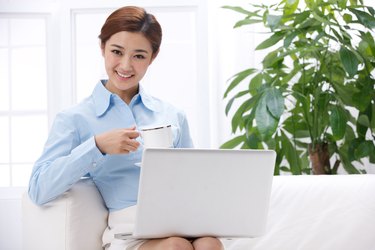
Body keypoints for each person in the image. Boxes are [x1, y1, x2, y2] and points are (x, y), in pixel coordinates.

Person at [28, 5, 224, 250]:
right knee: (175, 247)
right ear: (103, 48)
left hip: (180, 220)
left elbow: (193, 179)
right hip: (129, 229)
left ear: (153, 57)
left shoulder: (173, 115)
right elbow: (38, 189)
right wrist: (97, 146)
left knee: (210, 244)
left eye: (139, 56)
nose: (125, 65)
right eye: (117, 52)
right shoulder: (75, 118)